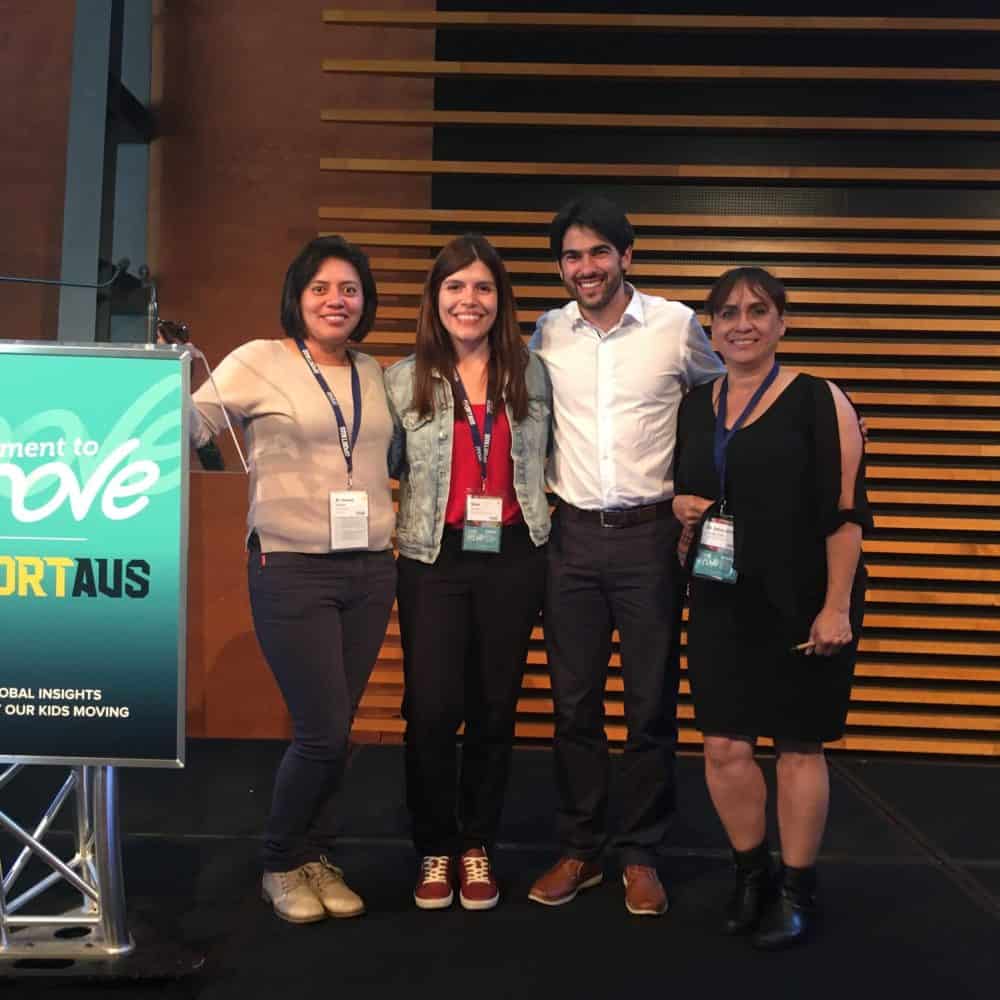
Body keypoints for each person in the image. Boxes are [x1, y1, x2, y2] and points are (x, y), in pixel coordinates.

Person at [189, 236, 397, 923]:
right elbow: (194, 425)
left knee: (339, 729)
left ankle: (316, 855)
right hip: (290, 568)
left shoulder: (374, 371)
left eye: (349, 289)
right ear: (297, 297)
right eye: (321, 288)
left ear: (364, 301)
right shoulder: (260, 359)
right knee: (322, 730)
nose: (336, 300)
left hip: (370, 568)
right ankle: (280, 861)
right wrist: (159, 380)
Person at [527, 197, 725, 916]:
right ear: (561, 267)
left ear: (626, 256)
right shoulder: (547, 332)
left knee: (649, 704)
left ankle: (641, 853)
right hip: (572, 537)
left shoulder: (674, 326)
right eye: (572, 256)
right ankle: (580, 848)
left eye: (598, 253)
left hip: (650, 538)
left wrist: (697, 493)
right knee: (573, 704)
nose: (586, 267)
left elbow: (723, 401)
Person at [672, 266, 870, 949]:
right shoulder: (695, 405)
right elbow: (689, 489)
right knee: (724, 745)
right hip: (721, 593)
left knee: (797, 745)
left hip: (804, 598)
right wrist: (681, 506)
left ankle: (797, 887)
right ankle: (751, 873)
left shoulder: (821, 399)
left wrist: (836, 608)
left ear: (782, 322)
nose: (743, 324)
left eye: (758, 310)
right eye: (727, 313)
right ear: (712, 329)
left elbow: (847, 513)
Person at [384, 234, 551, 911]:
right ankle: (434, 843)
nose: (469, 299)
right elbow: (377, 461)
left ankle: (476, 842)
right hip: (433, 558)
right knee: (430, 709)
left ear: (500, 299)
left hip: (514, 554)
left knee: (493, 707)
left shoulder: (534, 374)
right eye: (455, 286)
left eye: (483, 287)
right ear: (436, 297)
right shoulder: (402, 379)